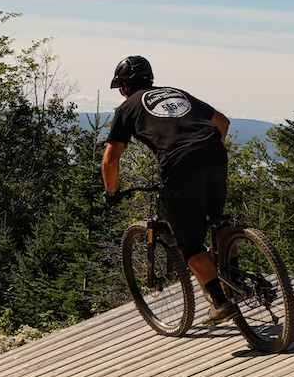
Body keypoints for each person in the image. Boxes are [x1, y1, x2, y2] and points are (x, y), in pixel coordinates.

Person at [101, 55, 236, 323]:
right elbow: (222, 122)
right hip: (215, 154)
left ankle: (221, 304)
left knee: (190, 242)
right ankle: (235, 276)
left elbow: (110, 160)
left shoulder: (127, 108)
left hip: (180, 164)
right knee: (217, 220)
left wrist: (112, 192)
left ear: (126, 86)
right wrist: (205, 152)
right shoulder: (177, 93)